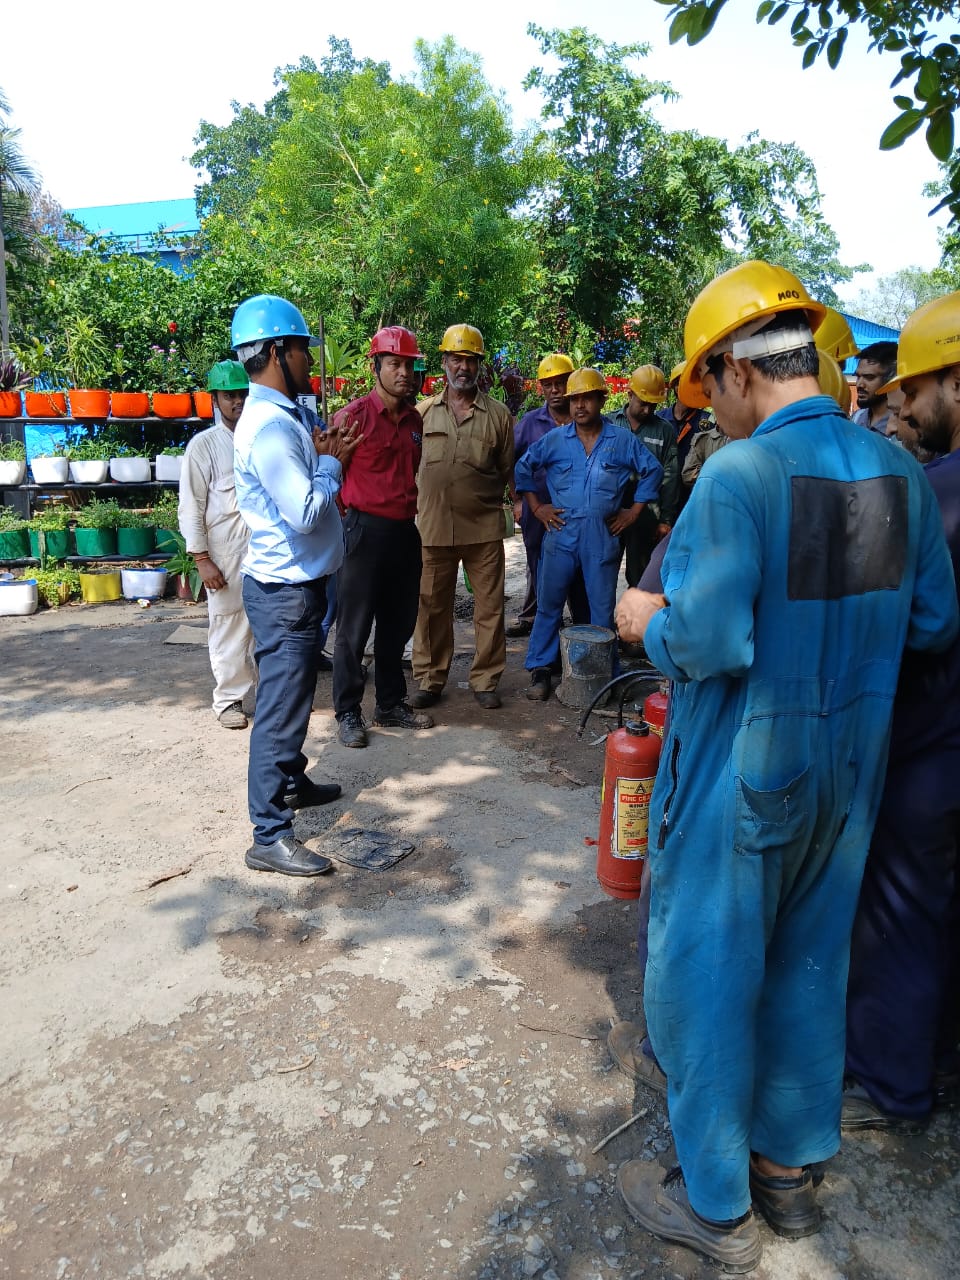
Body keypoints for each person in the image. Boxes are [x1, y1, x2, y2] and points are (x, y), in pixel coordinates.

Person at [610, 261, 957, 1274]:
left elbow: (712, 639)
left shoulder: (740, 475)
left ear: (732, 370)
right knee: (812, 962)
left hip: (745, 772)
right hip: (852, 779)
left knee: (708, 973)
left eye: (704, 386)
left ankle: (715, 1203)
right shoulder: (890, 471)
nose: (709, 407)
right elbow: (932, 621)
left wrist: (644, 617)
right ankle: (791, 1177)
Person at [845, 291, 960, 1134]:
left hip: (931, 748)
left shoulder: (935, 498)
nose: (907, 413)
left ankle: (894, 1085)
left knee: (903, 910)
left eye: (914, 393)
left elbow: (907, 622)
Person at [232, 294, 362, 877]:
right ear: (277, 352)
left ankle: (292, 783)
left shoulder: (279, 418)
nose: (310, 360)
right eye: (303, 349)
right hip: (285, 594)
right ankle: (269, 833)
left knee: (297, 697)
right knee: (281, 709)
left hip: (295, 588)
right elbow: (306, 511)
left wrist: (323, 448)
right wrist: (331, 464)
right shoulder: (268, 429)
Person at [514, 367, 661, 701]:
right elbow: (523, 467)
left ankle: (605, 675)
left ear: (600, 399)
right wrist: (537, 508)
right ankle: (541, 669)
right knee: (549, 604)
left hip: (601, 538)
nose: (580, 406)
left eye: (587, 398)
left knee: (599, 610)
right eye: (575, 399)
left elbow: (652, 470)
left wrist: (633, 512)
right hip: (561, 535)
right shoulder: (554, 440)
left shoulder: (621, 441)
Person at [331, 326, 433, 748]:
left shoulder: (413, 420)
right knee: (353, 628)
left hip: (404, 531)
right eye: (394, 363)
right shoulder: (352, 418)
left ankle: (390, 703)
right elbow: (330, 474)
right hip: (363, 530)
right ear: (376, 367)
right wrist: (351, 522)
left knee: (398, 623)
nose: (403, 373)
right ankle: (348, 712)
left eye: (409, 365)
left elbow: (413, 470)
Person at [410, 323, 514, 712]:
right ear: (444, 362)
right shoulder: (421, 414)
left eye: (470, 359)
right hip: (432, 527)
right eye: (456, 358)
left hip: (483, 528)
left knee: (489, 607)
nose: (463, 367)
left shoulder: (499, 416)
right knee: (430, 607)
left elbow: (508, 471)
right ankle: (430, 678)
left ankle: (486, 679)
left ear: (479, 366)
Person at [178, 360, 256, 729]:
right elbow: (190, 506)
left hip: (262, 552)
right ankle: (229, 701)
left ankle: (270, 698)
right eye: (230, 395)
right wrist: (201, 559)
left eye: (242, 393)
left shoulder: (259, 437)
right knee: (228, 627)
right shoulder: (203, 448)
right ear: (216, 399)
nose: (237, 401)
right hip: (225, 556)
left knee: (267, 628)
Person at [508, 353, 588, 637]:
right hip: (537, 514)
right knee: (542, 577)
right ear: (540, 387)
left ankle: (582, 640)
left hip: (578, 515)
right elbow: (511, 462)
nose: (555, 390)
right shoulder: (530, 423)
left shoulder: (585, 419)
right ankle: (546, 646)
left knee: (580, 580)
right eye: (548, 384)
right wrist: (518, 500)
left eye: (561, 382)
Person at [609, 365, 679, 586]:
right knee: (603, 574)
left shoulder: (664, 431)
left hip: (647, 515)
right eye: (643, 403)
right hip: (611, 513)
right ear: (630, 394)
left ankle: (638, 621)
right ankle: (601, 622)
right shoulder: (609, 424)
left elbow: (670, 477)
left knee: (641, 578)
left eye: (653, 405)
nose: (648, 410)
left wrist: (665, 520)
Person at [853, 340, 898, 434]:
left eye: (869, 377)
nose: (859, 384)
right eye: (858, 376)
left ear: (891, 379)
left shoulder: (901, 426)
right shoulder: (856, 419)